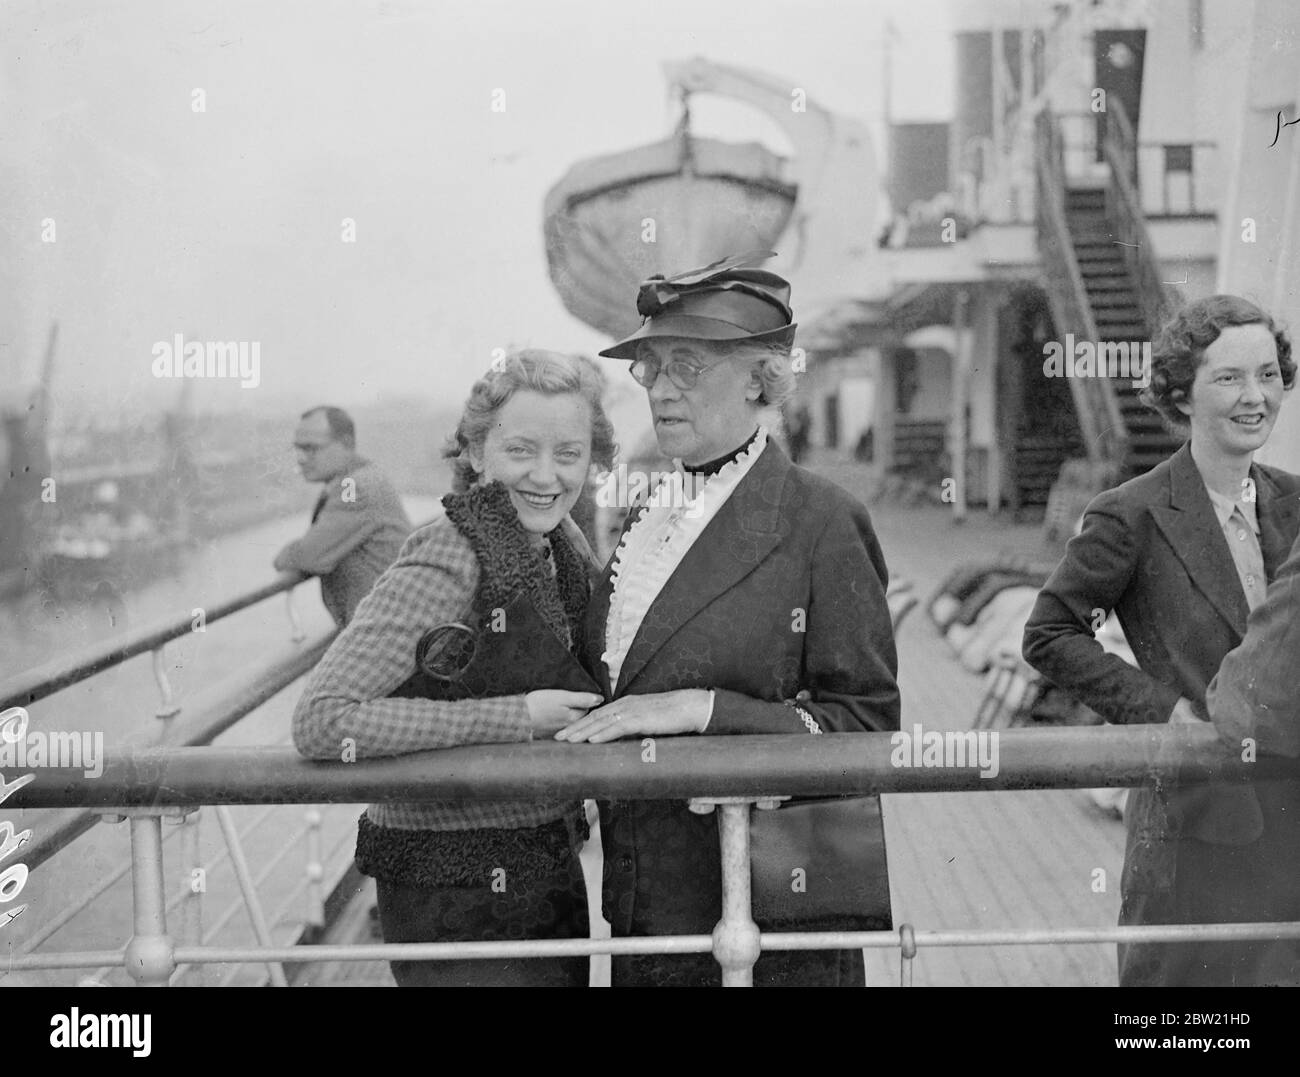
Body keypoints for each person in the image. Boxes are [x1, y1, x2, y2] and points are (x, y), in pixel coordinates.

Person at [558, 252, 901, 987]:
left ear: (760, 378)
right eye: (652, 367)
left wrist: (705, 709)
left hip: (770, 926)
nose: (660, 390)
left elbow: (866, 726)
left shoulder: (822, 519)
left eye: (688, 365)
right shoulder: (649, 513)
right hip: (648, 915)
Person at [291, 353, 615, 986]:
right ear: (475, 450)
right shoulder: (453, 549)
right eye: (521, 450)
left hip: (542, 862)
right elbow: (323, 721)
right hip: (452, 889)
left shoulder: (557, 542)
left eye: (568, 454)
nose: (546, 476)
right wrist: (517, 716)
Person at [1022, 294, 1300, 986]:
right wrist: (1163, 712)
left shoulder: (1297, 502)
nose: (1255, 397)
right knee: (1178, 1028)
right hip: (1194, 825)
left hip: (1292, 821)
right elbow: (1050, 632)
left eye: (1268, 375)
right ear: (1180, 392)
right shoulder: (1133, 513)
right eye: (1229, 377)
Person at [273, 406, 412, 627]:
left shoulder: (354, 487)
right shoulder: (361, 476)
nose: (300, 459)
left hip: (387, 629)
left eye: (310, 448)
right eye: (298, 449)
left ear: (346, 443)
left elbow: (310, 555)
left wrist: (283, 556)